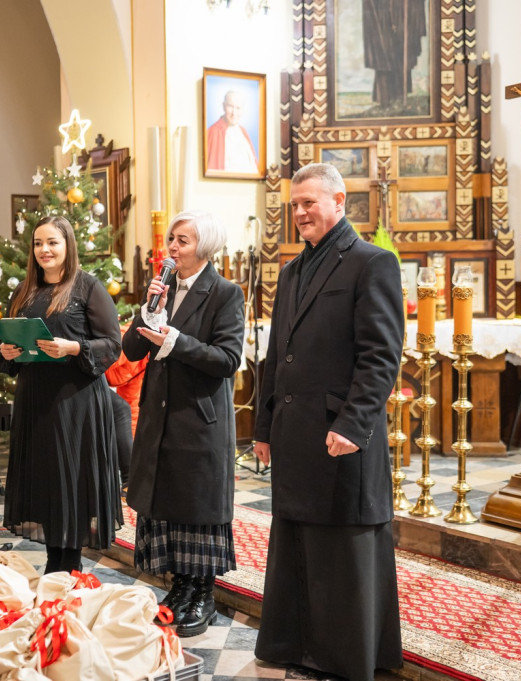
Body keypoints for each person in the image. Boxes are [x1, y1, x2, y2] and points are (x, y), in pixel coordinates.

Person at [253, 163, 404, 681]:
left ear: (339, 201)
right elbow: (278, 355)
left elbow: (381, 356)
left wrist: (353, 423)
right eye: (293, 205)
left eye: (308, 203)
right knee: (298, 541)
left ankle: (344, 656)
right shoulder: (293, 271)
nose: (298, 213)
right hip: (295, 435)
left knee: (341, 547)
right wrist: (262, 426)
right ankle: (296, 644)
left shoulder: (371, 262)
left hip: (340, 433)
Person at [123, 211, 245, 638]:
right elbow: (132, 349)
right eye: (172, 240)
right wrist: (146, 311)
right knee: (167, 506)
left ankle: (203, 594)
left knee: (196, 509)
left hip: (199, 420)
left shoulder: (225, 293)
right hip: (160, 418)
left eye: (183, 241)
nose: (173, 248)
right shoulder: (163, 289)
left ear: (204, 247)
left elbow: (227, 360)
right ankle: (178, 589)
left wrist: (175, 342)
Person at [0, 215, 122, 574]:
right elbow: (9, 345)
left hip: (76, 400)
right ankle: (55, 561)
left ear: (68, 245)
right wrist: (6, 353)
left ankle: (72, 564)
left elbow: (113, 344)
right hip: (35, 400)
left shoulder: (87, 287)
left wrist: (72, 348)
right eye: (38, 243)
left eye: (52, 242)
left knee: (72, 479)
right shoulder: (24, 291)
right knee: (46, 479)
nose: (44, 250)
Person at [363, 0, 427, 110]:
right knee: (384, 59)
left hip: (401, 17)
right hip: (382, 19)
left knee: (402, 57)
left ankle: (400, 98)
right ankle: (385, 101)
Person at [205, 90, 258, 174]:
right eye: (230, 106)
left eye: (238, 108)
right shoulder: (213, 131)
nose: (234, 113)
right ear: (223, 106)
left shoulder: (243, 131)